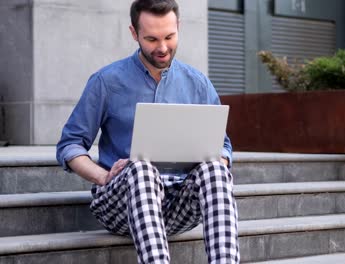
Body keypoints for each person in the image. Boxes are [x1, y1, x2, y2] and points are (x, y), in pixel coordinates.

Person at [56, 0, 239, 263]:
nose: (163, 47)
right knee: (141, 168)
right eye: (152, 39)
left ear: (179, 27)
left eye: (169, 36)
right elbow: (69, 146)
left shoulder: (198, 84)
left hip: (178, 207)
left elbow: (223, 145)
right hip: (122, 204)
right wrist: (104, 176)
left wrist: (216, 159)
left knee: (216, 170)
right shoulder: (106, 81)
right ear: (134, 33)